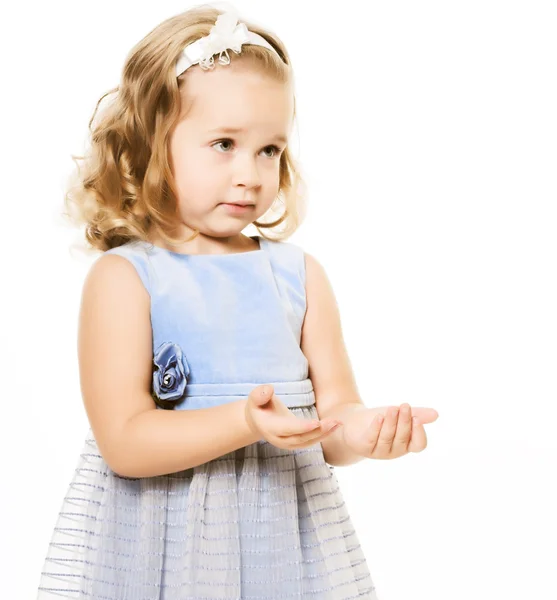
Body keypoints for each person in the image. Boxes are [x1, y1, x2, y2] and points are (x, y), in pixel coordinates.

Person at [36, 3, 439, 598]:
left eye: (270, 149)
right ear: (152, 143)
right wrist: (244, 421)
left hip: (285, 541)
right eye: (223, 143)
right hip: (163, 547)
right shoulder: (127, 279)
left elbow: (332, 423)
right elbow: (125, 442)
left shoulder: (298, 276)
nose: (252, 174)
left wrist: (366, 432)